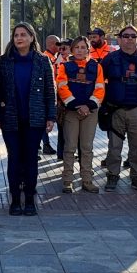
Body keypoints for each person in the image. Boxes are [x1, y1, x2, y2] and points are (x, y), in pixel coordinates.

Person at [0, 22, 55, 215]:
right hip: (10, 119)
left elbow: (49, 92)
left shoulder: (43, 61)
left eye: (23, 35)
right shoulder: (4, 61)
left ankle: (29, 200)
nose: (19, 38)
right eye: (16, 35)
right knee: (14, 159)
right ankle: (15, 200)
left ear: (32, 37)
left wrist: (50, 116)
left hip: (34, 120)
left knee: (30, 160)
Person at [100, 25, 137, 192]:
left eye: (133, 36)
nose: (129, 39)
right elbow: (100, 82)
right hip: (116, 109)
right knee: (114, 146)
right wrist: (104, 107)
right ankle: (112, 175)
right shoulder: (110, 59)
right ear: (119, 38)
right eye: (126, 36)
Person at [56, 35, 105, 194]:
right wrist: (75, 104)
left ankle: (87, 180)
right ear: (72, 49)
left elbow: (100, 89)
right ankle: (67, 181)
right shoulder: (65, 66)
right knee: (69, 147)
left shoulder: (96, 67)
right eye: (77, 47)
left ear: (88, 49)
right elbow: (62, 87)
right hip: (71, 111)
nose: (80, 50)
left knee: (87, 147)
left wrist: (88, 105)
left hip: (90, 112)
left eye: (83, 47)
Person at [40, 35, 60, 155]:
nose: (59, 47)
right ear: (51, 44)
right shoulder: (46, 58)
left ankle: (44, 145)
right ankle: (44, 145)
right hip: (46, 94)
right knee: (43, 121)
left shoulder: (55, 57)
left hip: (53, 92)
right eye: (57, 44)